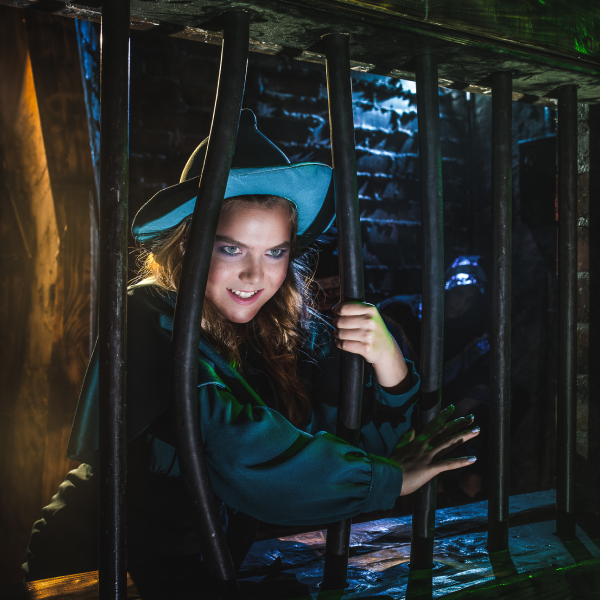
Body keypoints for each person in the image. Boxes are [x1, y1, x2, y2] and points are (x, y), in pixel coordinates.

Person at [23, 109, 479, 581]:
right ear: (187, 243)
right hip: (93, 567)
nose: (254, 276)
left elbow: (342, 446)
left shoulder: (271, 331)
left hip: (194, 570)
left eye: (275, 252)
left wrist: (391, 367)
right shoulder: (147, 314)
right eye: (231, 248)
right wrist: (391, 478)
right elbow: (237, 450)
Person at [378, 256, 490, 503]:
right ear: (445, 288)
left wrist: (467, 400)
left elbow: (482, 370)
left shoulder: (468, 332)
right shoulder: (400, 311)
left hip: (438, 402)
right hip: (389, 398)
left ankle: (464, 483)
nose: (461, 304)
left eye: (470, 300)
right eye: (458, 294)